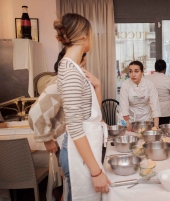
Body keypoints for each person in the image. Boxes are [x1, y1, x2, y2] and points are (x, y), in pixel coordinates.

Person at [28, 48, 102, 200]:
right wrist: (47, 139)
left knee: (70, 189)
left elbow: (93, 113)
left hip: (78, 145)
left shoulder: (77, 81)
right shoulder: (61, 82)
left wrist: (97, 86)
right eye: (82, 65)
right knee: (74, 191)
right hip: (69, 145)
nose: (83, 70)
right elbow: (35, 115)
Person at [53, 13, 110, 200]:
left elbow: (90, 113)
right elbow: (76, 127)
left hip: (87, 147)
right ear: (84, 36)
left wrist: (98, 85)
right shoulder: (70, 71)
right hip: (79, 154)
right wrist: (96, 172)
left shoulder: (74, 68)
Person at [120, 60, 161, 131]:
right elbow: (124, 106)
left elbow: (155, 106)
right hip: (131, 118)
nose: (133, 74)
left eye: (136, 71)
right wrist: (128, 124)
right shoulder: (125, 85)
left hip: (146, 118)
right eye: (130, 71)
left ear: (142, 72)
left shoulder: (149, 84)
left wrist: (156, 126)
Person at [146, 59, 170, 125]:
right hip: (164, 112)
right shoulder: (168, 80)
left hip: (150, 110)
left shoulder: (147, 78)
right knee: (164, 132)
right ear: (165, 69)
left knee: (151, 131)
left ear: (155, 68)